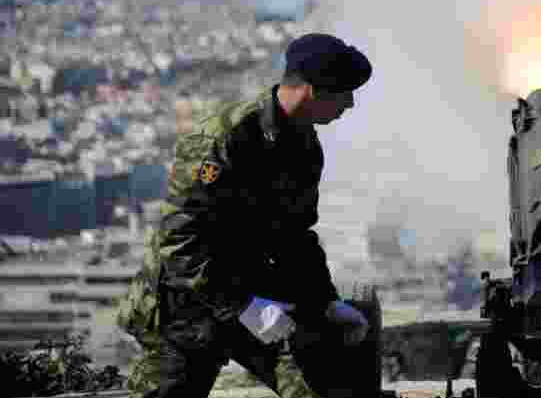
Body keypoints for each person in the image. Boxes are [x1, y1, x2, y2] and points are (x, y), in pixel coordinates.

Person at [118, 33, 373, 398]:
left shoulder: (304, 146)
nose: (349, 104)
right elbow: (180, 243)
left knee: (325, 389)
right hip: (189, 307)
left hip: (258, 298)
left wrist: (324, 301)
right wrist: (243, 307)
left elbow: (296, 236)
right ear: (314, 90)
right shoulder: (223, 139)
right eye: (345, 93)